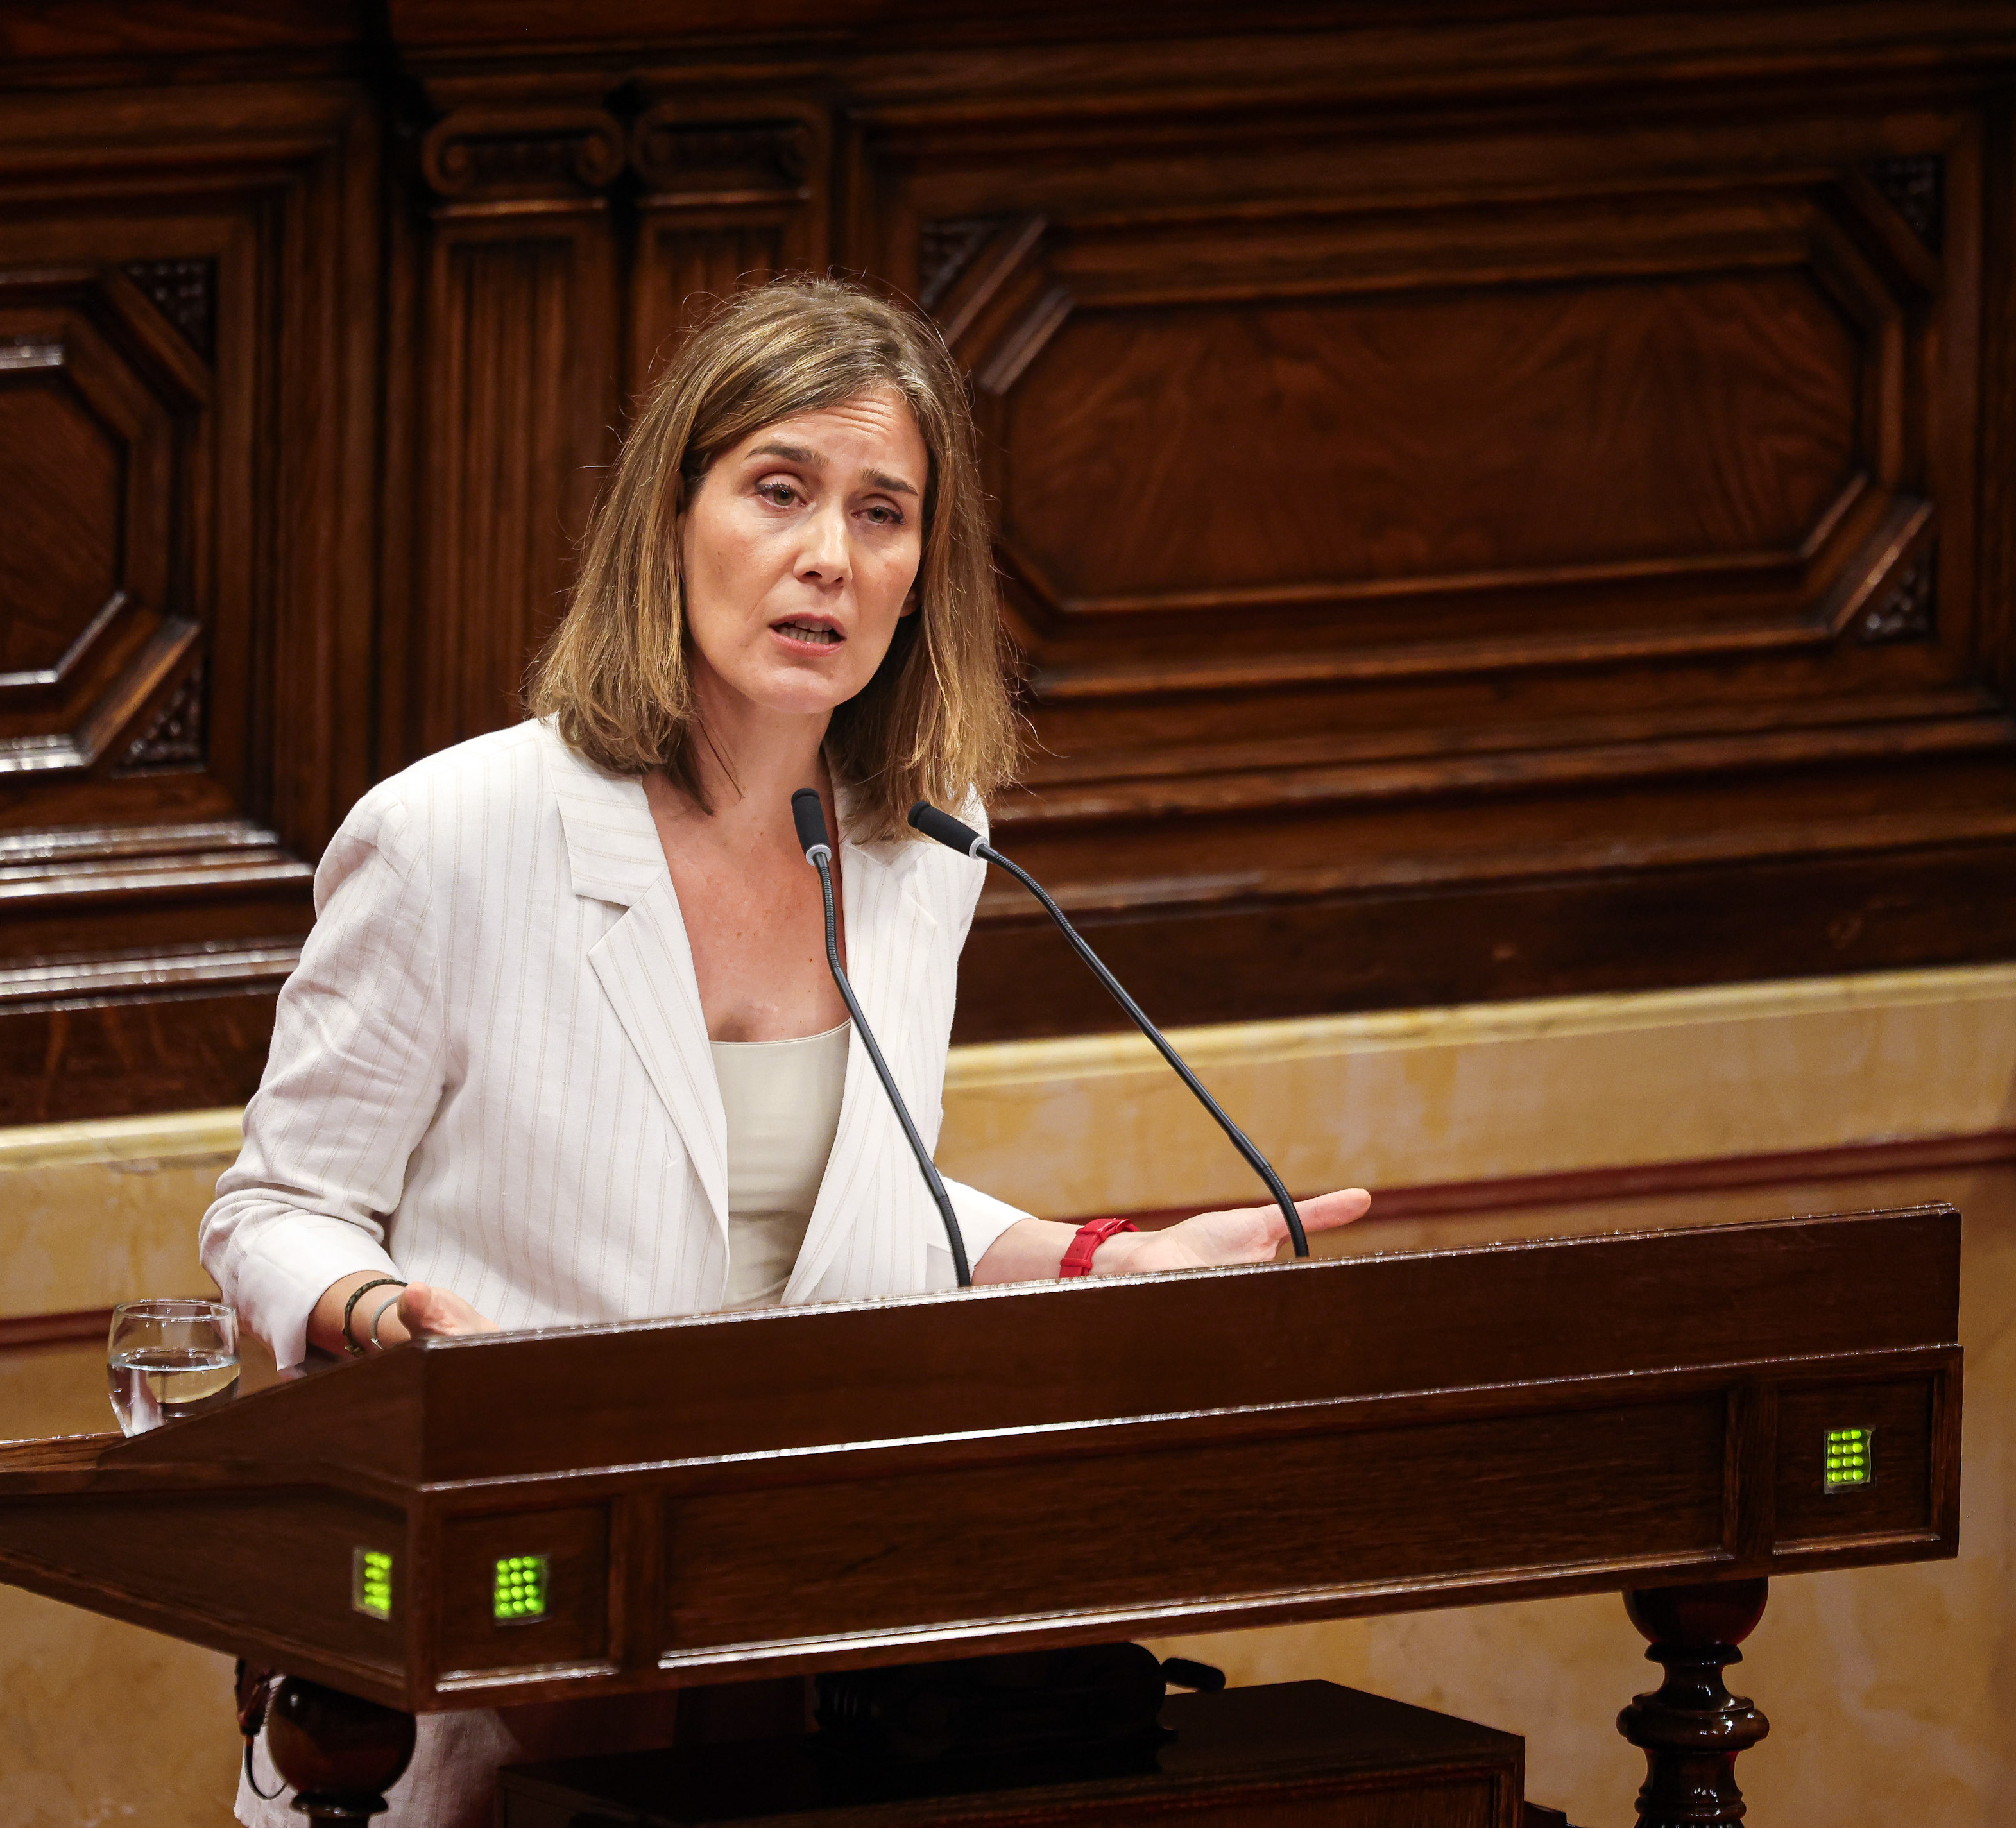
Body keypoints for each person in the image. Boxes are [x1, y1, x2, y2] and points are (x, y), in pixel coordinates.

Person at [200, 274, 1371, 1828]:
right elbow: (271, 1210)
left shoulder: (923, 851)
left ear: (919, 577)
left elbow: (831, 1202)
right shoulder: (451, 837)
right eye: (780, 490)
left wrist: (1100, 1266)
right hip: (501, 1663)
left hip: (802, 1682)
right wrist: (366, 1306)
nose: (830, 554)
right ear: (672, 517)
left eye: (883, 514)